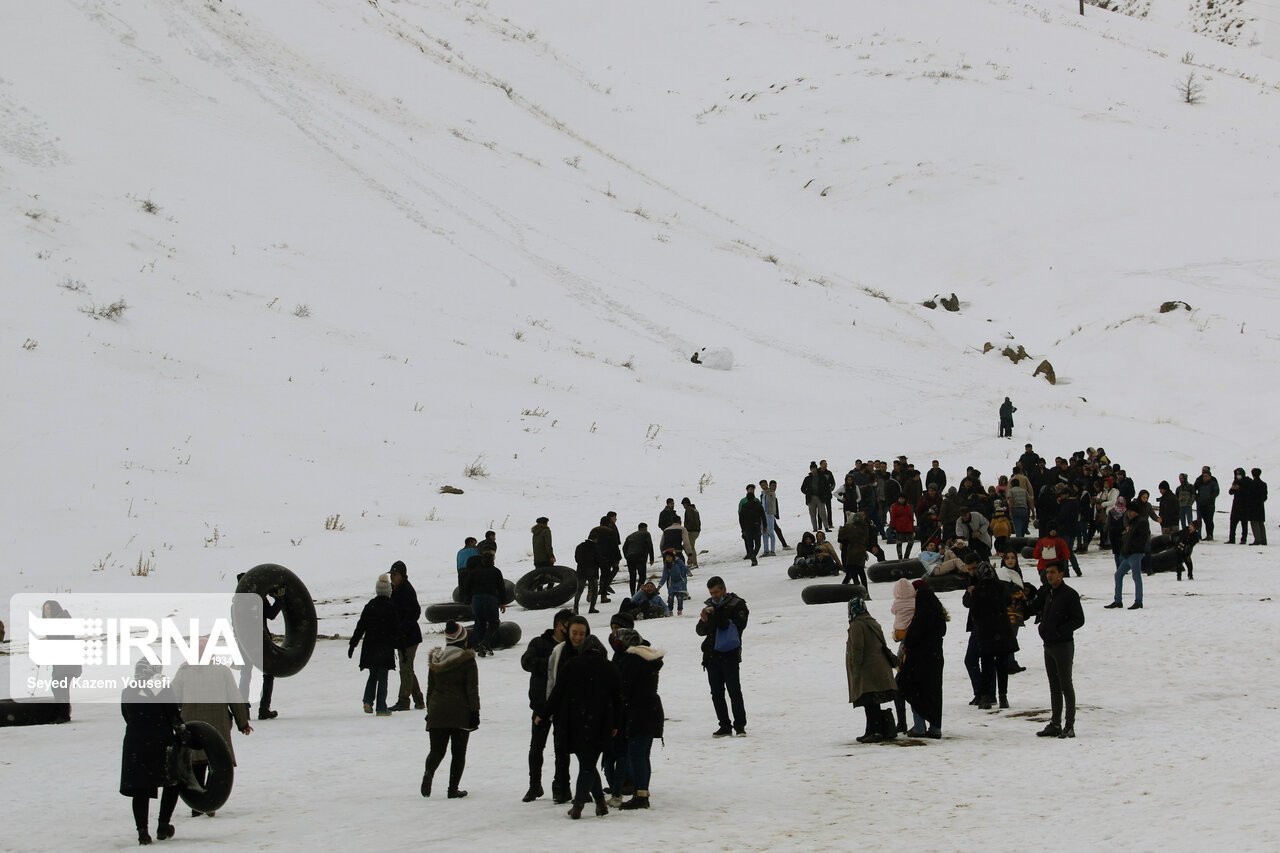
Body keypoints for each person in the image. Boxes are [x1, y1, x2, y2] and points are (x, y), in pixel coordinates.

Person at [537, 618, 623, 819]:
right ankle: (600, 803)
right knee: (589, 763)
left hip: (575, 722)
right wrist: (616, 724)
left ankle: (578, 806)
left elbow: (557, 692)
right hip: (601, 724)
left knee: (586, 764)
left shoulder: (572, 664)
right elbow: (618, 699)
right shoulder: (611, 667)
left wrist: (543, 713)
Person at [170, 644, 253, 817]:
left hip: (192, 726)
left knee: (195, 763)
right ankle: (211, 802)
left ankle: (197, 804)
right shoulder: (221, 671)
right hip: (218, 725)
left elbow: (173, 699)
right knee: (216, 763)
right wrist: (242, 723)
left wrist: (173, 722)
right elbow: (235, 698)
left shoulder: (184, 671)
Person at [120, 659, 185, 845]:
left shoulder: (128, 690)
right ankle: (163, 825)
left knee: (140, 789)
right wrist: (184, 734)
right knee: (171, 783)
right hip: (161, 743)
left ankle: (143, 833)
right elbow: (174, 717)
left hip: (135, 744)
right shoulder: (163, 689)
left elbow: (127, 716)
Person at [520, 609, 574, 803]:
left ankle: (560, 785)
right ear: (559, 625)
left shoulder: (572, 646)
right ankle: (534, 785)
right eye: (569, 625)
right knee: (536, 748)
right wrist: (553, 663)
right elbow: (526, 662)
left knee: (562, 749)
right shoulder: (539, 643)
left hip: (564, 706)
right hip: (541, 705)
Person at [420, 625, 480, 798]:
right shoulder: (467, 660)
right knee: (458, 752)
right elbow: (472, 689)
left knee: (437, 750)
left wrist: (430, 710)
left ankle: (429, 772)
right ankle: (452, 789)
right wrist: (475, 712)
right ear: (463, 640)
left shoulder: (435, 660)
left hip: (437, 711)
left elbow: (430, 688)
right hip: (460, 712)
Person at [1028, 561, 1084, 738]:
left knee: (1066, 685)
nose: (1049, 575)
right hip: (1049, 644)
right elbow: (1033, 608)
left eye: (1053, 572)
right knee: (1054, 685)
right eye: (1047, 572)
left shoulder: (1069, 595)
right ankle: (1055, 722)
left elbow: (1079, 620)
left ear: (1061, 574)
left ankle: (1069, 725)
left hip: (1063, 645)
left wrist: (1060, 632)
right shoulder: (1047, 592)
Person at [612, 626, 664, 809]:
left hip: (637, 713)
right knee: (644, 754)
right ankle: (642, 792)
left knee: (637, 754)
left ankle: (641, 795)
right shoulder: (647, 659)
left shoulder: (630, 661)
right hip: (652, 710)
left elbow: (623, 688)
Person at [695, 576, 749, 737]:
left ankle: (740, 726)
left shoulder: (737, 604)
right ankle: (724, 725)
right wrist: (705, 620)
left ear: (724, 589)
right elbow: (700, 631)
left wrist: (715, 617)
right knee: (716, 693)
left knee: (734, 691)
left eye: (717, 592)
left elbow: (737, 626)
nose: (714, 596)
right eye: (711, 593)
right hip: (712, 656)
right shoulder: (710, 606)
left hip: (730, 655)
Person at [845, 585, 900, 743]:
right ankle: (872, 730)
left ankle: (874, 731)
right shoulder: (872, 622)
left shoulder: (857, 625)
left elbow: (857, 649)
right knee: (872, 702)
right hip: (879, 667)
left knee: (869, 702)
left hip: (867, 669)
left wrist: (855, 669)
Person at [900, 580, 947, 738]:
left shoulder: (921, 616)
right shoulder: (937, 614)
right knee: (934, 693)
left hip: (918, 661)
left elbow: (912, 638)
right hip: (935, 658)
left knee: (914, 690)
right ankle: (935, 727)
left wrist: (906, 644)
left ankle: (919, 726)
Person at [348, 573, 400, 716]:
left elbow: (360, 627)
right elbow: (397, 629)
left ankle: (367, 701)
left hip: (370, 646)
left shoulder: (370, 606)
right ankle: (381, 707)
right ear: (388, 591)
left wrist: (353, 644)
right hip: (385, 646)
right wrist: (402, 647)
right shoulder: (391, 607)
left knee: (373, 675)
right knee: (383, 676)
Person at [963, 564, 1014, 710]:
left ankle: (986, 697)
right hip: (1002, 630)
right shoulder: (1001, 587)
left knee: (987, 664)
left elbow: (974, 612)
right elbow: (1008, 601)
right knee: (1002, 666)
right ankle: (1003, 697)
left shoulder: (978, 590)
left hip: (986, 631)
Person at [235, 573, 282, 721]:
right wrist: (279, 599)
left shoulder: (236, 602)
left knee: (246, 673)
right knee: (268, 673)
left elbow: (235, 625)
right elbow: (272, 614)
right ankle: (264, 709)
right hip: (260, 640)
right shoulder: (259, 599)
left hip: (243, 641)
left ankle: (244, 709)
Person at [388, 561, 424, 712]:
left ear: (402, 575)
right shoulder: (395, 589)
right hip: (401, 636)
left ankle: (403, 700)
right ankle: (419, 699)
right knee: (407, 668)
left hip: (410, 637)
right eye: (392, 575)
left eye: (395, 575)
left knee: (405, 669)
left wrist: (403, 628)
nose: (392, 578)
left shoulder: (407, 590)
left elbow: (415, 612)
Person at [38, 599, 79, 723]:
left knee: (59, 687)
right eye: (45, 610)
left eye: (49, 609)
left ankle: (64, 715)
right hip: (62, 663)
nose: (47, 612)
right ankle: (63, 713)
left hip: (68, 662)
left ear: (55, 609)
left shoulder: (62, 620)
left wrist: (47, 640)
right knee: (59, 687)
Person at [1106, 501, 1148, 610]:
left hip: (1135, 553)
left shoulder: (1141, 522)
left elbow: (1142, 539)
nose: (1129, 513)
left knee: (1136, 577)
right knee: (1118, 575)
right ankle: (1118, 600)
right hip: (1129, 554)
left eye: (1130, 511)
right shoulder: (1133, 522)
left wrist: (1133, 548)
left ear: (1135, 512)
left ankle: (1138, 601)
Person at [462, 553, 506, 656]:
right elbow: (501, 588)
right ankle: (485, 643)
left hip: (476, 599)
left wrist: (468, 600)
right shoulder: (496, 571)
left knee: (479, 623)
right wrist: (502, 602)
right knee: (494, 623)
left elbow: (467, 586)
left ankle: (478, 646)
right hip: (490, 598)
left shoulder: (474, 572)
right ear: (492, 561)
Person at [623, 523, 656, 596]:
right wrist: (651, 558)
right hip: (640, 556)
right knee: (642, 576)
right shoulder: (646, 534)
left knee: (632, 576)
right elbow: (650, 545)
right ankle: (638, 592)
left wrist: (627, 556)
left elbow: (624, 548)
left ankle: (632, 594)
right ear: (645, 528)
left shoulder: (630, 536)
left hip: (630, 557)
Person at [574, 530, 603, 614]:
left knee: (579, 590)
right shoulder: (596, 547)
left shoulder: (580, 546)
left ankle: (575, 608)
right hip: (592, 572)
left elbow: (577, 559)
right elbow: (599, 559)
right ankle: (592, 608)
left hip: (581, 571)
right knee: (594, 590)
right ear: (595, 539)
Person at [738, 484, 766, 566]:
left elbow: (740, 518)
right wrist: (765, 526)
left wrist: (743, 529)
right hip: (756, 526)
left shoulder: (744, 506)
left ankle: (752, 557)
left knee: (749, 544)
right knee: (758, 543)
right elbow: (763, 515)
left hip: (747, 527)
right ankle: (753, 555)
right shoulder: (757, 503)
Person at [802, 462, 832, 533]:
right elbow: (802, 488)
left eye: (814, 468)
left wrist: (826, 495)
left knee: (823, 513)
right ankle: (815, 528)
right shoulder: (807, 478)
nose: (813, 470)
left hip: (820, 497)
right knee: (812, 514)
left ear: (816, 468)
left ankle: (826, 527)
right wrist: (807, 493)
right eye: (812, 469)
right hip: (811, 498)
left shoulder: (822, 477)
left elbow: (827, 487)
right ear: (810, 469)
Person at [1195, 466, 1220, 541]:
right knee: (1204, 520)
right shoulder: (1200, 482)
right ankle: (1206, 534)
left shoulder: (1213, 482)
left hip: (1210, 504)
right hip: (1201, 504)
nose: (1204, 478)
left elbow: (1216, 491)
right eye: (1203, 476)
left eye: (1206, 476)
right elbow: (1194, 489)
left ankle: (1210, 534)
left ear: (1209, 476)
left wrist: (1210, 498)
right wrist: (1197, 498)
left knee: (1209, 520)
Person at [1228, 467, 1251, 544]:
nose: (1238, 475)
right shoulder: (1235, 481)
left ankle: (1243, 539)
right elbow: (1230, 492)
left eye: (1239, 474)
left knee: (1244, 523)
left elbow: (1248, 492)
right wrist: (1233, 488)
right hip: (1236, 505)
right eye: (1237, 474)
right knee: (1233, 523)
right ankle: (1231, 539)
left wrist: (1240, 488)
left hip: (1244, 505)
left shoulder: (1247, 481)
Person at [681, 497, 702, 566]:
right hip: (696, 530)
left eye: (683, 504)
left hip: (692, 531)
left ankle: (693, 563)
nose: (683, 506)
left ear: (685, 504)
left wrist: (686, 531)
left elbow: (689, 521)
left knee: (688, 547)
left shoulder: (688, 510)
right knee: (690, 546)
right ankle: (693, 562)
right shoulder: (694, 509)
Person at [1249, 468, 1268, 545]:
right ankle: (1263, 539)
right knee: (1261, 523)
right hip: (1260, 505)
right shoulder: (1263, 484)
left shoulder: (1252, 484)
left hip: (1253, 506)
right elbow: (1265, 496)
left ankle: (1257, 539)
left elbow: (1249, 495)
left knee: (1254, 522)